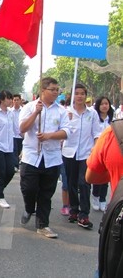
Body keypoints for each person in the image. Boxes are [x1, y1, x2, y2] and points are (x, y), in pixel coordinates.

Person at [19, 77, 70, 238]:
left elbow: (66, 132)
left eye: (57, 90)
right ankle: (29, 208)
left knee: (46, 193)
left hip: (52, 158)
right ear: (43, 90)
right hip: (31, 156)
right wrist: (36, 113)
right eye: (53, 89)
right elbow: (22, 128)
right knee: (29, 189)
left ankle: (43, 225)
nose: (56, 92)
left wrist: (49, 136)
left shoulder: (61, 110)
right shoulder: (29, 107)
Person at [62, 83, 101, 229]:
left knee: (84, 183)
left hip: (86, 153)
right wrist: (67, 120)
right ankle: (74, 210)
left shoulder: (92, 113)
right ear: (72, 96)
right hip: (69, 153)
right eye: (77, 93)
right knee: (71, 183)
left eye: (82, 93)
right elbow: (60, 131)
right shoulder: (66, 113)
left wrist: (95, 147)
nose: (80, 96)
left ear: (86, 96)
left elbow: (97, 133)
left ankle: (84, 214)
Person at [0, 90, 17, 208]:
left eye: (11, 98)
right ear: (1, 100)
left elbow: (17, 130)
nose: (10, 101)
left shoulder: (11, 114)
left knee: (11, 171)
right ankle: (0, 196)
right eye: (8, 98)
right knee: (1, 171)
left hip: (9, 147)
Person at [90, 96, 114, 211]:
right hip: (97, 151)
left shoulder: (113, 119)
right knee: (97, 175)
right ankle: (95, 196)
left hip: (109, 152)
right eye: (102, 104)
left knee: (106, 177)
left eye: (106, 104)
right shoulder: (94, 118)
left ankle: (103, 199)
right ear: (98, 106)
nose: (105, 106)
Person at [11, 94, 23, 171]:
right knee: (14, 150)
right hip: (12, 134)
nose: (16, 101)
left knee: (19, 150)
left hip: (21, 134)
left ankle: (17, 162)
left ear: (20, 100)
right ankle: (15, 165)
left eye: (17, 100)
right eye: (14, 100)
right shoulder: (10, 111)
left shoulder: (23, 110)